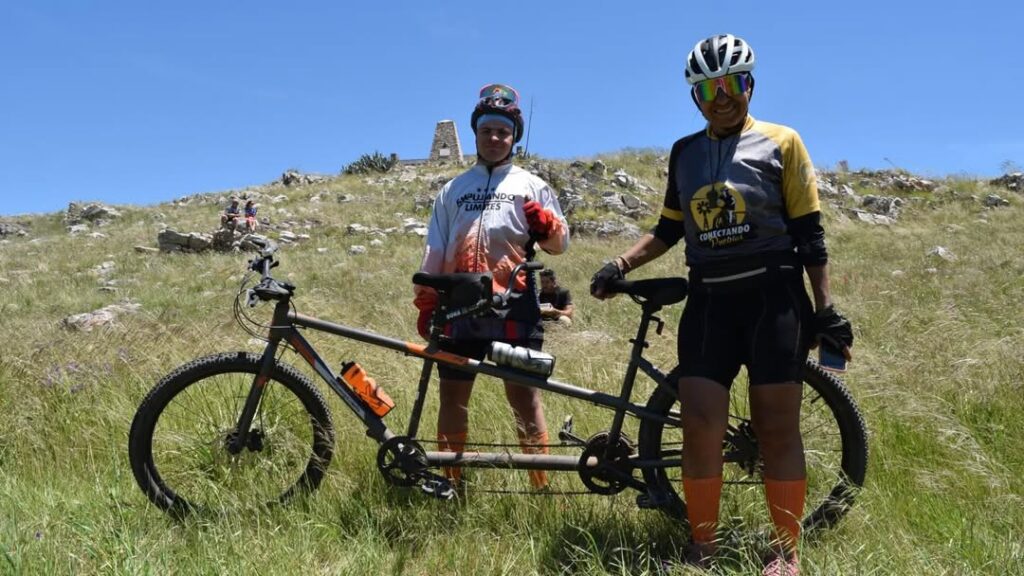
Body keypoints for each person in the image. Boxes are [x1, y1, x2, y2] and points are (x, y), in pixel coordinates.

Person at [589, 34, 853, 575]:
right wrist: (620, 263)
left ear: (750, 84)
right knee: (700, 424)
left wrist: (825, 309)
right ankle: (703, 548)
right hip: (709, 300)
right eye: (708, 89)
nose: (722, 97)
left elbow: (810, 235)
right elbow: (669, 228)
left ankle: (786, 552)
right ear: (696, 97)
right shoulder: (684, 153)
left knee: (776, 428)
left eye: (732, 83)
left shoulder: (782, 142)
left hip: (773, 298)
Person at [413, 83, 570, 490]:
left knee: (525, 399)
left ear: (514, 136)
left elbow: (559, 244)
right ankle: (451, 483)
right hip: (458, 307)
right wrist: (427, 303)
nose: (495, 138)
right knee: (452, 397)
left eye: (503, 131)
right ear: (476, 134)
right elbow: (435, 248)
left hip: (515, 306)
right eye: (487, 130)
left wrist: (547, 227)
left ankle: (541, 488)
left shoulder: (532, 185)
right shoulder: (453, 190)